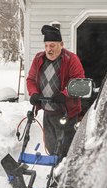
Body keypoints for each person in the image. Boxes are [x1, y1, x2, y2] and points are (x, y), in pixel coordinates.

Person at [26, 25, 85, 158]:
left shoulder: (71, 59)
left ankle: (64, 172)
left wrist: (65, 95)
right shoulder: (38, 58)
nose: (48, 49)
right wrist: (34, 93)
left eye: (52, 45)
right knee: (51, 146)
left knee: (66, 149)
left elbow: (79, 81)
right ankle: (55, 171)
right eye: (46, 45)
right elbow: (31, 79)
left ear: (61, 44)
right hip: (48, 111)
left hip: (67, 112)